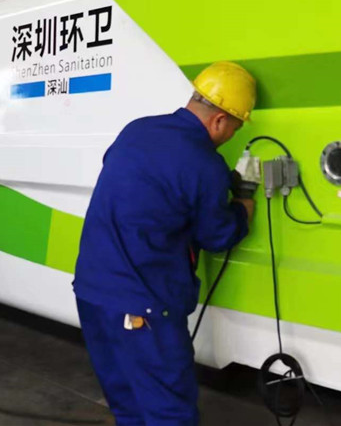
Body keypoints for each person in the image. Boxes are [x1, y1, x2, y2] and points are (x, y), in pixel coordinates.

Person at [73, 61, 258, 426]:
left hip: (91, 292)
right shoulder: (205, 164)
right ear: (220, 120)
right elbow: (217, 235)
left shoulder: (137, 129)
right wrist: (243, 208)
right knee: (169, 412)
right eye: (235, 128)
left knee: (127, 403)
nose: (230, 136)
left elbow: (141, 181)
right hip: (142, 304)